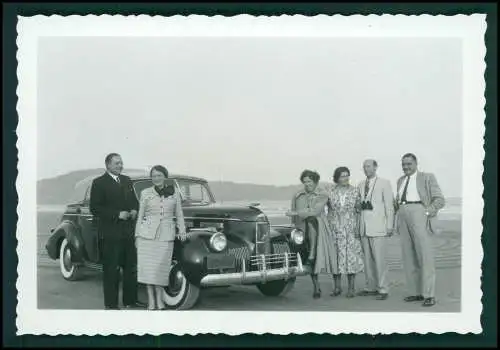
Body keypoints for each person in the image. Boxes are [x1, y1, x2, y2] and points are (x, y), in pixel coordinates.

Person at [89, 153, 145, 310]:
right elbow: (95, 208)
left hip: (128, 232)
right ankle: (111, 305)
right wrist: (117, 214)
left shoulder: (127, 180)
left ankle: (130, 300)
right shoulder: (99, 183)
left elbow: (134, 200)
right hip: (110, 234)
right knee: (111, 270)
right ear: (107, 165)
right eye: (116, 163)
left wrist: (134, 209)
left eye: (121, 163)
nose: (120, 166)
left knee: (130, 268)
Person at [135, 165, 189, 310]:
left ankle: (160, 300)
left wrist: (182, 230)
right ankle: (151, 300)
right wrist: (136, 235)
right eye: (153, 176)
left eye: (159, 175)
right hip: (146, 236)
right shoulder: (145, 193)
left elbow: (179, 214)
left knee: (160, 269)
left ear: (165, 176)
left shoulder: (174, 192)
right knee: (147, 270)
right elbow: (141, 215)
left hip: (166, 235)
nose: (156, 178)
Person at [395, 153, 445, 307]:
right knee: (408, 256)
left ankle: (429, 295)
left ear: (416, 163)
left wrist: (427, 212)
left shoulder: (427, 177)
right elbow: (396, 202)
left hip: (420, 213)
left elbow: (440, 199)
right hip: (402, 215)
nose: (406, 167)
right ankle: (415, 292)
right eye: (403, 164)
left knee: (425, 256)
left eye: (409, 164)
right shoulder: (400, 180)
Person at [286, 170, 337, 299]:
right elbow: (293, 214)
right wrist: (294, 225)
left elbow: (315, 211)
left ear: (316, 181)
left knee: (326, 258)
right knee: (306, 259)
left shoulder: (322, 194)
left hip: (319, 228)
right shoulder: (298, 195)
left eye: (309, 181)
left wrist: (297, 213)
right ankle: (316, 287)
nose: (307, 184)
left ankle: (336, 286)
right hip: (302, 231)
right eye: (305, 182)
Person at [356, 159, 395, 300]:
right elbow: (358, 205)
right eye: (364, 166)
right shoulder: (360, 184)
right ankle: (370, 287)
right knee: (367, 260)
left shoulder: (384, 183)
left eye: (368, 166)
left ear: (375, 167)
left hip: (379, 227)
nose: (366, 169)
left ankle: (383, 289)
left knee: (380, 260)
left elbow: (390, 206)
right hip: (364, 227)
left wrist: (390, 225)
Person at [328, 166, 364, 298]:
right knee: (336, 257)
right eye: (342, 176)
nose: (345, 178)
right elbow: (325, 208)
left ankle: (351, 289)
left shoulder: (355, 191)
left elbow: (359, 209)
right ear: (337, 177)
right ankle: (337, 288)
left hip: (350, 228)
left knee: (351, 257)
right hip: (335, 228)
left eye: (347, 175)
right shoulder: (330, 191)